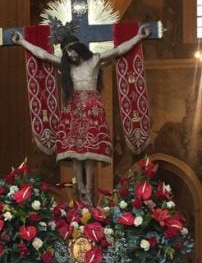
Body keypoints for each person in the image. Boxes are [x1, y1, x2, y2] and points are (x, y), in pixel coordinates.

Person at [11, 25, 151, 203]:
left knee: (90, 150)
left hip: (92, 107)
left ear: (79, 47)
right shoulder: (66, 66)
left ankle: (89, 189)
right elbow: (43, 54)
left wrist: (138, 37)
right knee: (75, 150)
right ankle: (81, 188)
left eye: (72, 50)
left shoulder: (94, 60)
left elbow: (119, 50)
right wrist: (23, 42)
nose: (70, 55)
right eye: (67, 53)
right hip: (74, 107)